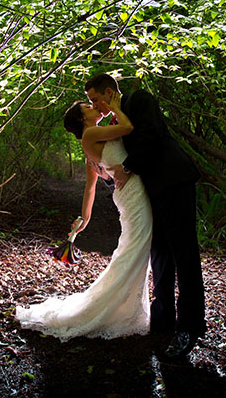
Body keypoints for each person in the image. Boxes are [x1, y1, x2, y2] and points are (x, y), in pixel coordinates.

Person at [84, 73, 205, 359]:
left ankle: (189, 327)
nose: (95, 106)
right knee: (159, 252)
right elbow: (113, 163)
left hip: (174, 181)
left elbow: (151, 136)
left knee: (184, 254)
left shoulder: (139, 100)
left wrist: (126, 168)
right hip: (149, 192)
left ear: (110, 92)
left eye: (96, 99)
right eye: (90, 102)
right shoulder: (115, 121)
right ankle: (163, 316)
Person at [15, 92, 154, 340]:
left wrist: (83, 220)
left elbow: (90, 189)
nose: (93, 106)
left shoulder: (94, 139)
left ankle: (122, 306)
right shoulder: (91, 134)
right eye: (88, 106)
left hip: (129, 194)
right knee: (136, 248)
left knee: (133, 248)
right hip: (131, 194)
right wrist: (113, 106)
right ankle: (118, 308)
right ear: (82, 118)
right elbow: (128, 127)